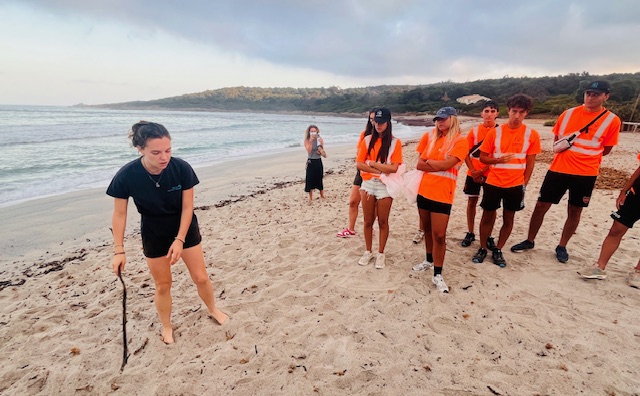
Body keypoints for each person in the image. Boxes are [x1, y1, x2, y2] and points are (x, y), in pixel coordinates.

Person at [107, 121, 228, 345]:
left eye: (168, 150)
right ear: (140, 149)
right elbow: (119, 215)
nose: (164, 157)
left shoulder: (181, 168)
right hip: (154, 232)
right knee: (163, 285)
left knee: (200, 277)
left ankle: (213, 309)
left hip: (184, 227)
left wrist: (180, 240)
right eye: (156, 152)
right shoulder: (126, 175)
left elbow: (187, 207)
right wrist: (119, 251)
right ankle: (166, 326)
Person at [511, 81, 622, 263]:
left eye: (596, 94)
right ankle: (529, 240)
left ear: (606, 96)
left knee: (575, 210)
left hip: (586, 173)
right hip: (558, 169)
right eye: (588, 93)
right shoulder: (568, 113)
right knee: (541, 206)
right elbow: (557, 139)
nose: (590, 97)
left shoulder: (612, 120)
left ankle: (562, 245)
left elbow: (607, 148)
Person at [471, 94, 541, 267]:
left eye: (521, 112)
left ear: (527, 113)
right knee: (487, 216)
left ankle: (499, 249)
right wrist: (497, 161)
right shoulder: (496, 132)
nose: (517, 116)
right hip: (493, 182)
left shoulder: (532, 134)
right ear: (508, 111)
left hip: (515, 185)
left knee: (508, 218)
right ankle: (482, 247)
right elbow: (483, 158)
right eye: (514, 111)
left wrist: (524, 183)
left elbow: (530, 163)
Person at [411, 107, 469, 293]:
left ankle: (438, 272)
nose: (440, 122)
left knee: (439, 235)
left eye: (444, 119)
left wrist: (429, 164)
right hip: (424, 191)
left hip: (443, 194)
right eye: (438, 119)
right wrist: (433, 164)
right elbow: (419, 163)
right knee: (426, 230)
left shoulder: (460, 140)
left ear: (453, 119)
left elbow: (448, 164)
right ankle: (428, 260)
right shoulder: (429, 137)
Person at [577, 153, 640, 288]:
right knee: (616, 229)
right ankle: (599, 267)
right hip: (636, 195)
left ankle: (638, 272)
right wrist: (624, 190)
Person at [355, 108, 403, 269]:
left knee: (383, 221)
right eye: (376, 122)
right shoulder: (367, 140)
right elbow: (359, 163)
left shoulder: (395, 142)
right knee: (368, 221)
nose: (378, 125)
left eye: (382, 122)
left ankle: (381, 253)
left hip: (385, 185)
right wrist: (381, 169)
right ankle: (368, 251)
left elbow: (395, 168)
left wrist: (373, 163)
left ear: (388, 122)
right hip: (368, 184)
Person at [461, 100, 500, 248]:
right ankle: (470, 232)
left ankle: (488, 234)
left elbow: (498, 155)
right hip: (473, 173)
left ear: (497, 113)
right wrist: (473, 171)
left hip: (492, 174)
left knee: (491, 207)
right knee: (471, 202)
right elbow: (465, 152)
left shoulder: (500, 131)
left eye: (492, 111)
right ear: (481, 113)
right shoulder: (474, 131)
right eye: (486, 111)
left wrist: (482, 171)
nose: (489, 114)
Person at [337, 109, 376, 237]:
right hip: (361, 172)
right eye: (370, 119)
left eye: (375, 118)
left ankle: (370, 227)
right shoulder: (364, 135)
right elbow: (359, 154)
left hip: (375, 174)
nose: (373, 121)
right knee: (353, 201)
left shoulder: (385, 138)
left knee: (371, 205)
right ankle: (351, 228)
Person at [304, 125, 327, 202]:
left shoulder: (320, 139)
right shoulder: (307, 140)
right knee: (310, 179)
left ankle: (322, 194)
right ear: (309, 132)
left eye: (315, 131)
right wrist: (310, 141)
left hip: (318, 160)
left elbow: (322, 152)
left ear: (317, 131)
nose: (313, 133)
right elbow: (309, 151)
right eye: (312, 131)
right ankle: (310, 197)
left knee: (319, 178)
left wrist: (320, 149)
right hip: (311, 161)